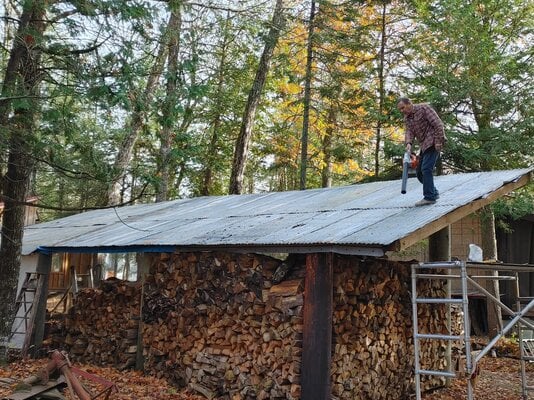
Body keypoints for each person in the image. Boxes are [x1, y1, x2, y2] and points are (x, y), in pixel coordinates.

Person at [397, 97, 446, 206]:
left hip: (433, 141)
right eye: (400, 109)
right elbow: (409, 131)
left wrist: (438, 142)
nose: (402, 111)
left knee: (426, 169)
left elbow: (438, 124)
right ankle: (434, 192)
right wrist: (408, 143)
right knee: (419, 172)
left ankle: (429, 197)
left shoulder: (424, 108)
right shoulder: (407, 119)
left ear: (409, 103)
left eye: (403, 108)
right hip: (424, 145)